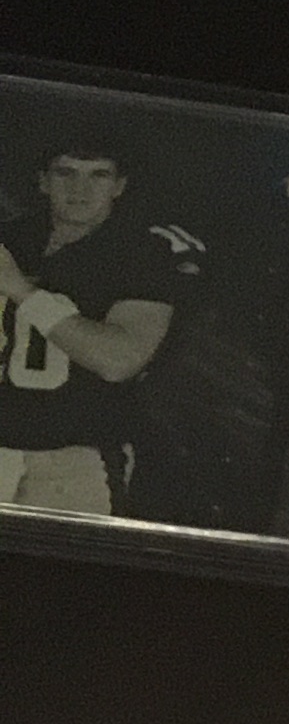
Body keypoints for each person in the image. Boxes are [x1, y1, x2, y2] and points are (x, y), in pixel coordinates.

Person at [0, 134, 186, 516]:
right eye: (65, 172)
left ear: (119, 186)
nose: (79, 188)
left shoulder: (141, 256)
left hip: (77, 457)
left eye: (98, 175)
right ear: (43, 181)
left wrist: (22, 291)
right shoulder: (13, 239)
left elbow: (119, 360)